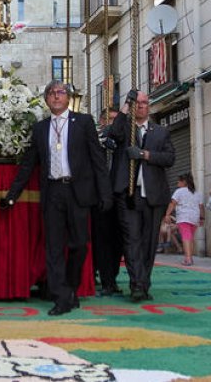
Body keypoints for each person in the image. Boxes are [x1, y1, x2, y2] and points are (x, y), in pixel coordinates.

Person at [2, 81, 112, 315]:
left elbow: (98, 160)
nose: (56, 97)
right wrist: (12, 195)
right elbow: (29, 164)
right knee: (53, 248)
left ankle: (71, 288)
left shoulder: (83, 123)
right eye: (51, 93)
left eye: (60, 92)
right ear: (46, 100)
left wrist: (105, 193)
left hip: (78, 191)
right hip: (52, 192)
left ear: (68, 97)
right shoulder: (40, 128)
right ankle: (61, 296)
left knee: (79, 245)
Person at [103, 90, 176, 301]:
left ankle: (143, 283)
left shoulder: (160, 132)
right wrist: (126, 105)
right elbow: (113, 132)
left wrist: (145, 155)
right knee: (131, 240)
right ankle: (137, 285)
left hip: (152, 196)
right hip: (127, 195)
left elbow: (169, 157)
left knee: (148, 243)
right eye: (137, 103)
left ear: (149, 106)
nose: (141, 106)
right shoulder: (124, 129)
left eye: (144, 103)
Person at [91, 107, 123, 296]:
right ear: (102, 121)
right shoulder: (95, 139)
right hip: (99, 198)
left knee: (118, 241)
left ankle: (112, 277)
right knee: (101, 240)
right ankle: (105, 280)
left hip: (118, 195)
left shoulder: (123, 139)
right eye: (110, 120)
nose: (114, 124)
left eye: (117, 120)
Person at [168, 173, 202, 266]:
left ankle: (188, 259)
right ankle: (189, 257)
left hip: (184, 217)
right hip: (195, 217)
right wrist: (202, 218)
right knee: (190, 238)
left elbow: (172, 203)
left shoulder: (179, 191)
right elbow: (201, 206)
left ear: (184, 182)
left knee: (186, 237)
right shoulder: (196, 193)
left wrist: (167, 214)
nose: (177, 183)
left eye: (179, 181)